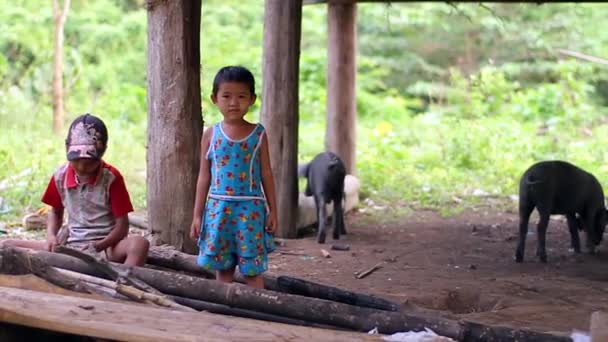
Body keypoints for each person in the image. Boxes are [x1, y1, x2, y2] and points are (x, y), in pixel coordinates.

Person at [0, 114, 149, 267]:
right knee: (6, 244)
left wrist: (99, 245)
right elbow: (56, 212)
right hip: (71, 246)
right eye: (76, 161)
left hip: (107, 248)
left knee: (139, 244)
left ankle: (125, 281)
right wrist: (51, 236)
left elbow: (122, 227)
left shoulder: (111, 178)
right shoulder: (60, 176)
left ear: (103, 150)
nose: (82, 168)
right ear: (67, 148)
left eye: (89, 163)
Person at [190, 66, 277, 289]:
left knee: (252, 269)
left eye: (241, 96)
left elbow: (266, 173)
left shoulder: (258, 134)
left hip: (250, 210)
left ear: (252, 99)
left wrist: (273, 210)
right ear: (214, 99)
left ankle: (258, 312)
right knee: (223, 267)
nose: (233, 103)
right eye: (226, 96)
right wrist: (197, 215)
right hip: (219, 210)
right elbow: (203, 176)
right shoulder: (210, 135)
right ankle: (224, 314)